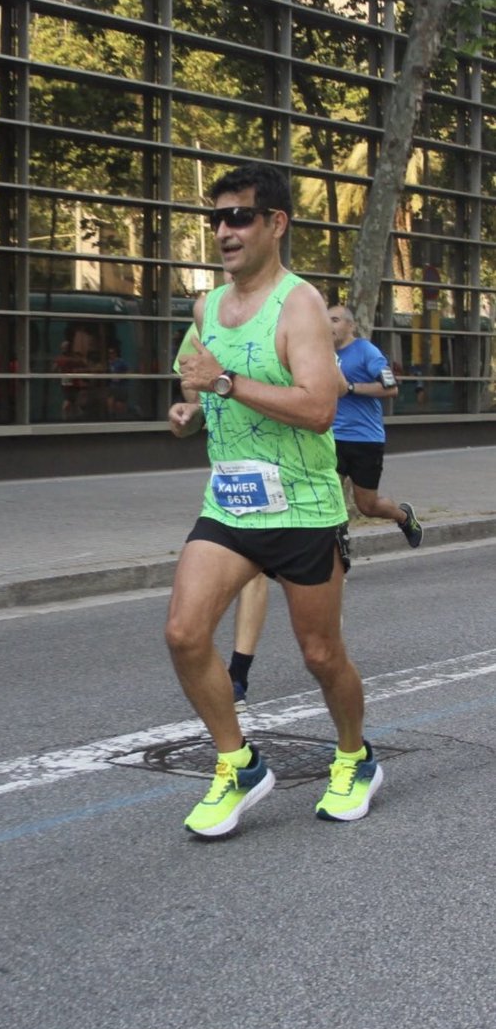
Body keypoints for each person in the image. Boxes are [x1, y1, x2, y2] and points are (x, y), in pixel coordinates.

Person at [166, 161, 383, 839]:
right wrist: (191, 409)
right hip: (230, 505)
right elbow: (197, 386)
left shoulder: (300, 305)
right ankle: (239, 764)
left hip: (304, 509)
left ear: (275, 224)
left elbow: (320, 407)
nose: (224, 231)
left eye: (239, 217)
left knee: (321, 655)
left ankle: (355, 758)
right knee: (183, 632)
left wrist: (224, 383)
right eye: (217, 218)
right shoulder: (207, 306)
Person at [173, 318, 269, 712]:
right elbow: (194, 407)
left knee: (321, 646)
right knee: (251, 568)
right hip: (230, 474)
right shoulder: (202, 325)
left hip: (290, 471)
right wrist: (186, 416)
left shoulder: (286, 314)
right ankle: (236, 678)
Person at [328, 304, 424, 548]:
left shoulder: (367, 352)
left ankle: (403, 517)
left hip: (365, 439)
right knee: (328, 498)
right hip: (330, 436)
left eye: (336, 320)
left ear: (351, 326)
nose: (329, 325)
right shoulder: (321, 353)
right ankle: (339, 546)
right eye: (326, 320)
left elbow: (391, 388)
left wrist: (350, 388)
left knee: (367, 506)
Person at [106, 341, 129, 420]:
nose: (110, 355)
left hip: (121, 387)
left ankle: (122, 420)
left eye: (112, 353)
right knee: (110, 403)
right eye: (109, 353)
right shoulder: (109, 363)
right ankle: (111, 418)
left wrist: (121, 377)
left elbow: (128, 372)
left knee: (119, 405)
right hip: (112, 387)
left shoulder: (121, 362)